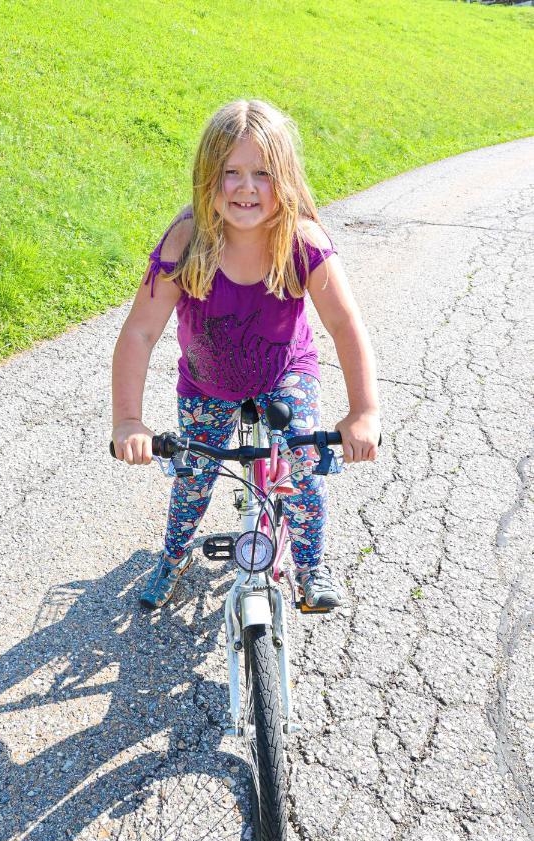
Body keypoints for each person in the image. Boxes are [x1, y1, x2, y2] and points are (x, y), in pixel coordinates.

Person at [112, 99, 380, 610]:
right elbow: (140, 333)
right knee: (192, 475)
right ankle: (174, 555)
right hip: (206, 382)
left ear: (286, 179)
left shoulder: (302, 241)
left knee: (301, 464)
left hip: (283, 373)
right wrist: (128, 421)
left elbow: (346, 325)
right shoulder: (187, 240)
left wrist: (364, 412)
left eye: (262, 173)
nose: (245, 187)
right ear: (206, 177)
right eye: (229, 172)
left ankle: (310, 566)